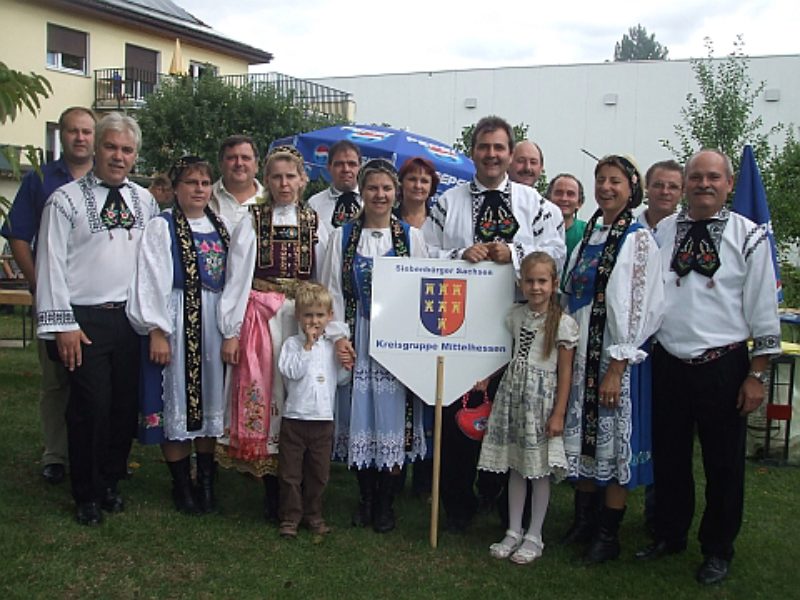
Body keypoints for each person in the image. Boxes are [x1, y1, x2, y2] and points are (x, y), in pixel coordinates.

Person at [636, 149, 780, 585]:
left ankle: (717, 548)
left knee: (723, 464)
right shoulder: (664, 231)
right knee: (671, 456)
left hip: (723, 365)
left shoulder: (749, 236)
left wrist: (755, 375)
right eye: (695, 177)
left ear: (728, 184)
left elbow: (762, 310)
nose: (703, 184)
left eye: (712, 177)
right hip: (669, 363)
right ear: (685, 184)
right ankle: (670, 533)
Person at [423, 115, 566, 531]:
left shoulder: (535, 204)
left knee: (514, 415)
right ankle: (458, 505)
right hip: (460, 327)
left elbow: (555, 252)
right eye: (484, 147)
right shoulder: (447, 202)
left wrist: (516, 254)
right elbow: (424, 253)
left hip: (519, 327)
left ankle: (507, 508)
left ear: (510, 153)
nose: (491, 154)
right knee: (457, 417)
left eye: (499, 147)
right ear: (473, 152)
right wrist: (459, 254)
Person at [35, 112, 159, 525]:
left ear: (135, 155)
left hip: (130, 320)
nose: (118, 156)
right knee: (91, 406)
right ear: (96, 148)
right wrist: (63, 325)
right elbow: (50, 263)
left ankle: (110, 481)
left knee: (124, 406)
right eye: (111, 147)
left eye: (126, 150)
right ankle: (85, 492)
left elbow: (154, 263)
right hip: (83, 320)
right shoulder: (64, 201)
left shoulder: (145, 201)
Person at [127, 156, 252, 514]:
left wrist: (232, 327)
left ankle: (207, 482)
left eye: (204, 182)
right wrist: (157, 331)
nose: (199, 189)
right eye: (191, 182)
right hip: (177, 319)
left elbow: (237, 277)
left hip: (214, 322)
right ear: (176, 188)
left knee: (212, 399)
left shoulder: (223, 225)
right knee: (176, 400)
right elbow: (150, 280)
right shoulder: (161, 227)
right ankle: (181, 485)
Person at [216, 145, 329, 522]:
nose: (284, 183)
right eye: (277, 176)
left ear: (302, 180)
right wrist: (231, 330)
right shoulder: (252, 220)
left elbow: (324, 279)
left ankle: (296, 489)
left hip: (301, 318)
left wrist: (329, 327)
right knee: (267, 398)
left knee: (298, 398)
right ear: (266, 180)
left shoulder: (315, 222)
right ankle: (271, 491)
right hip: (261, 318)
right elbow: (236, 279)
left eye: (291, 176)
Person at [561, 154, 663, 563]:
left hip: (614, 359)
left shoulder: (636, 239)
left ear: (631, 188)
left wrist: (618, 366)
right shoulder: (591, 234)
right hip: (584, 353)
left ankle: (608, 533)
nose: (606, 187)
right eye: (601, 180)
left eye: (615, 181)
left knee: (613, 448)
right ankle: (584, 522)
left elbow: (641, 306)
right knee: (585, 442)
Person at [321, 158, 428, 533]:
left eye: (386, 188)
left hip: (396, 343)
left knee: (393, 419)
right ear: (361, 192)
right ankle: (366, 498)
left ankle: (386, 503)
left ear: (396, 192)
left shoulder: (411, 238)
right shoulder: (342, 236)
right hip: (357, 338)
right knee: (359, 416)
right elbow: (331, 289)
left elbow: (421, 292)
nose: (379, 195)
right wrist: (338, 337)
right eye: (372, 188)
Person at [1, 106, 96, 484]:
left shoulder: (109, 178)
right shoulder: (41, 179)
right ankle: (56, 454)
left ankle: (92, 451)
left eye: (87, 131)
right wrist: (38, 281)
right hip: (54, 295)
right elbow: (18, 234)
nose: (80, 138)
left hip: (96, 297)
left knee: (94, 379)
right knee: (57, 378)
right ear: (62, 135)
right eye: (73, 131)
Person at [478, 252, 578, 564]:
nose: (535, 287)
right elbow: (506, 356)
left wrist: (559, 412)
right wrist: (486, 378)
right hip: (513, 397)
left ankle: (535, 534)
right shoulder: (516, 315)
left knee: (538, 470)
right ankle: (513, 529)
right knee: (516, 465)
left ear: (554, 283)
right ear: (521, 283)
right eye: (530, 281)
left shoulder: (562, 324)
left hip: (542, 402)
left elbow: (565, 373)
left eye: (542, 281)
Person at [276, 282, 347, 538]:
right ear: (298, 316)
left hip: (322, 420)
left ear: (329, 317)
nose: (313, 321)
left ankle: (313, 514)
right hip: (295, 418)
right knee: (290, 473)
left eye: (319, 315)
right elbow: (291, 371)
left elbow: (340, 379)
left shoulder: (331, 347)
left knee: (319, 473)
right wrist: (307, 346)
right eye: (308, 315)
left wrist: (347, 363)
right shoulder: (292, 345)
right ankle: (290, 517)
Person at [395, 156, 440, 496]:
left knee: (427, 399)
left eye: (425, 180)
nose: (418, 186)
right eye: (412, 179)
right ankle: (394, 470)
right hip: (395, 318)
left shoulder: (438, 222)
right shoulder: (388, 221)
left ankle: (425, 480)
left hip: (429, 317)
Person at [508, 140, 565, 248]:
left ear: (541, 167)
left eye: (533, 162)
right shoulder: (494, 201)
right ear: (508, 163)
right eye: (521, 161)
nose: (527, 167)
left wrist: (513, 255)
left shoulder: (553, 212)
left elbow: (557, 255)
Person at [308, 140, 362, 239]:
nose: (346, 169)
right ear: (329, 167)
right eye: (339, 164)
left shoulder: (371, 202)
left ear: (360, 167)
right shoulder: (314, 205)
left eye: (352, 164)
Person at [210, 135, 264, 226]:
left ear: (256, 165)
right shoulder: (206, 199)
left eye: (245, 158)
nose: (239, 163)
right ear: (220, 164)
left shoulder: (271, 200)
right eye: (231, 158)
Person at [545, 173, 587, 263]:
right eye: (558, 193)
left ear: (579, 203)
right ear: (548, 199)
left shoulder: (591, 233)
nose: (564, 198)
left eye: (570, 194)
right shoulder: (535, 231)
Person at [638, 160, 684, 234]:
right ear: (646, 187)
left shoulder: (687, 235)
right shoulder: (627, 232)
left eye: (673, 187)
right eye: (658, 185)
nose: (665, 192)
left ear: (682, 193)